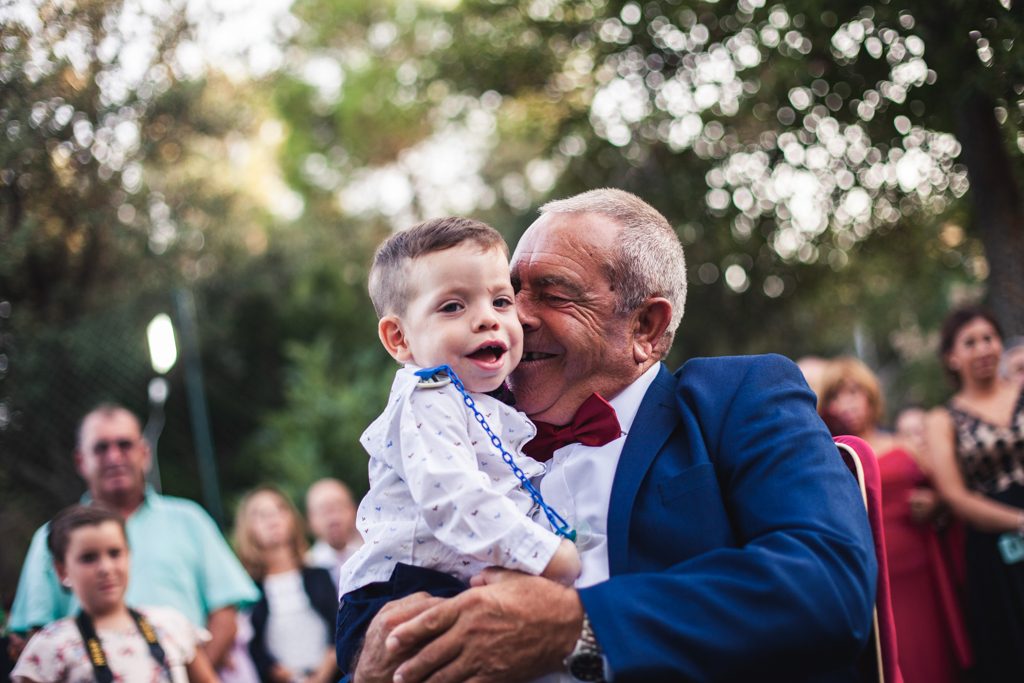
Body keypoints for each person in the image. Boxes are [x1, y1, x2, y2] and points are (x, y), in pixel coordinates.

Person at [349, 189, 876, 683]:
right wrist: (368, 663)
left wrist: (580, 625)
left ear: (646, 326)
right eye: (511, 293)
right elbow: (386, 577)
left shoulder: (738, 396)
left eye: (552, 294)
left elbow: (827, 585)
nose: (514, 317)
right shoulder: (457, 419)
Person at [334, 216, 582, 673]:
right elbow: (452, 497)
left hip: (446, 584)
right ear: (399, 338)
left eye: (501, 301)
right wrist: (544, 554)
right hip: (404, 590)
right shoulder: (427, 396)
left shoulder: (488, 400)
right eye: (452, 307)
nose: (487, 318)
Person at [7, 403, 259, 670]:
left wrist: (184, 675)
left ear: (144, 453)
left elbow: (225, 613)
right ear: (81, 460)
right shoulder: (51, 537)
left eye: (124, 445)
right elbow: (36, 634)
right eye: (101, 448)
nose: (114, 457)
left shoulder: (189, 520)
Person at [819, 357, 970, 683]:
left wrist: (936, 503)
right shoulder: (832, 456)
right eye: (836, 396)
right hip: (873, 580)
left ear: (871, 396)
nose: (846, 403)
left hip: (921, 572)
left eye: (854, 392)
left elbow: (951, 491)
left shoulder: (906, 446)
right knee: (892, 660)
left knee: (934, 657)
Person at [926, 306, 1024, 682]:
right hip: (993, 547)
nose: (983, 349)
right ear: (952, 357)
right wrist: (1019, 521)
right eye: (970, 343)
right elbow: (954, 495)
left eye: (989, 338)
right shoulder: (943, 420)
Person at [11, 504, 217, 683]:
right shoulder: (51, 644)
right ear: (62, 570)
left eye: (115, 553)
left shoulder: (170, 624)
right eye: (89, 558)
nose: (106, 568)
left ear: (129, 556)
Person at [234, 486, 338, 683]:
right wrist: (291, 676)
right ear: (248, 528)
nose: (272, 519)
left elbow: (339, 626)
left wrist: (324, 671)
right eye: (261, 515)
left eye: (280, 509)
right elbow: (254, 649)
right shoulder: (247, 591)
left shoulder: (320, 575)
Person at [304, 478, 363, 586]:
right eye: (323, 511)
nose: (333, 517)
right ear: (310, 520)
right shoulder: (307, 566)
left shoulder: (373, 554)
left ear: (354, 510)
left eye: (339, 507)